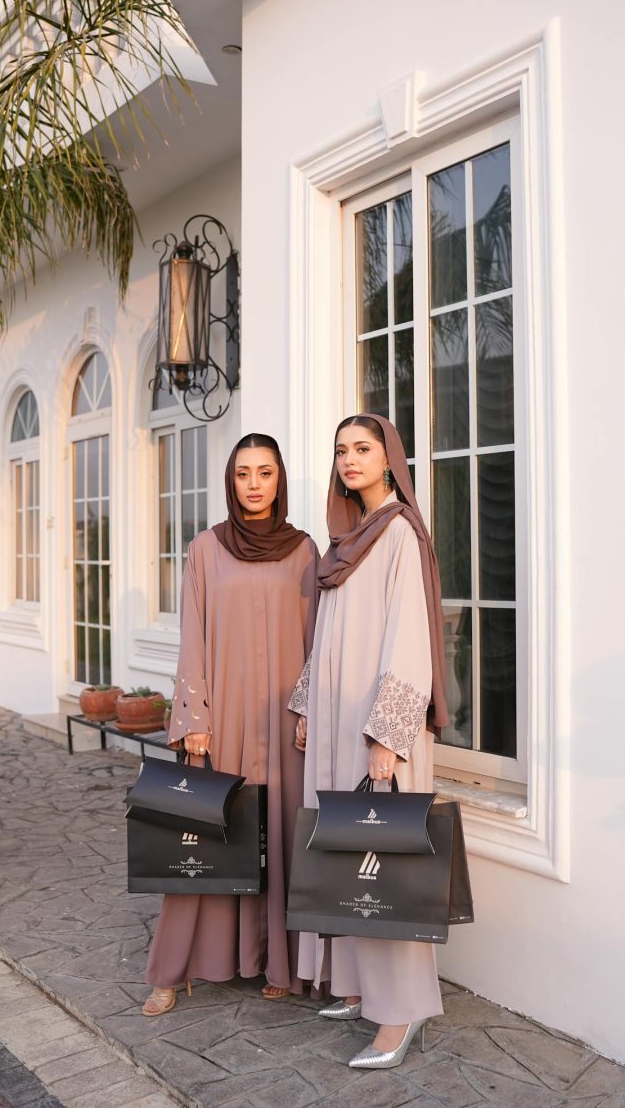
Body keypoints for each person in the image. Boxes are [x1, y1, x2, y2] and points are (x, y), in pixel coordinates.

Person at [289, 413, 449, 1069]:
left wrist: (388, 736)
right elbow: (327, 633)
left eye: (362, 448)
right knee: (347, 859)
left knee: (385, 868)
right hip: (337, 722)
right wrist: (307, 702)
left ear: (389, 459)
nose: (350, 460)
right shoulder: (347, 540)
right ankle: (359, 987)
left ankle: (401, 1011)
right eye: (340, 451)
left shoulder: (399, 533)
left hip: (377, 729)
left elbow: (409, 639)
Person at [142, 433, 319, 1015]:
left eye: (265, 472)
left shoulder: (303, 550)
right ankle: (174, 968)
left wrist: (307, 708)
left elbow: (317, 641)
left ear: (279, 479)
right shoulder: (205, 548)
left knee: (281, 836)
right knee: (205, 838)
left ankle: (277, 961)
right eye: (243, 473)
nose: (254, 484)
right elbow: (192, 636)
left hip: (284, 722)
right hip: (223, 720)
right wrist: (194, 718)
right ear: (230, 481)